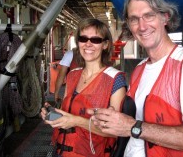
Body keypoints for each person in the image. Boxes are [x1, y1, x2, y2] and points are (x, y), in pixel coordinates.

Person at [89, 0, 183, 157]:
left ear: (165, 17)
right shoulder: (140, 69)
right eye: (134, 19)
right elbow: (136, 122)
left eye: (149, 15)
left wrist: (132, 126)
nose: (142, 26)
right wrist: (112, 120)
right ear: (129, 25)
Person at [40, 18, 127, 157]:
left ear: (105, 45)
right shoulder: (72, 75)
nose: (88, 44)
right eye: (83, 38)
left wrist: (76, 121)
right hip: (61, 151)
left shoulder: (115, 80)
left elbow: (114, 130)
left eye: (96, 40)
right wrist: (53, 115)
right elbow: (66, 112)